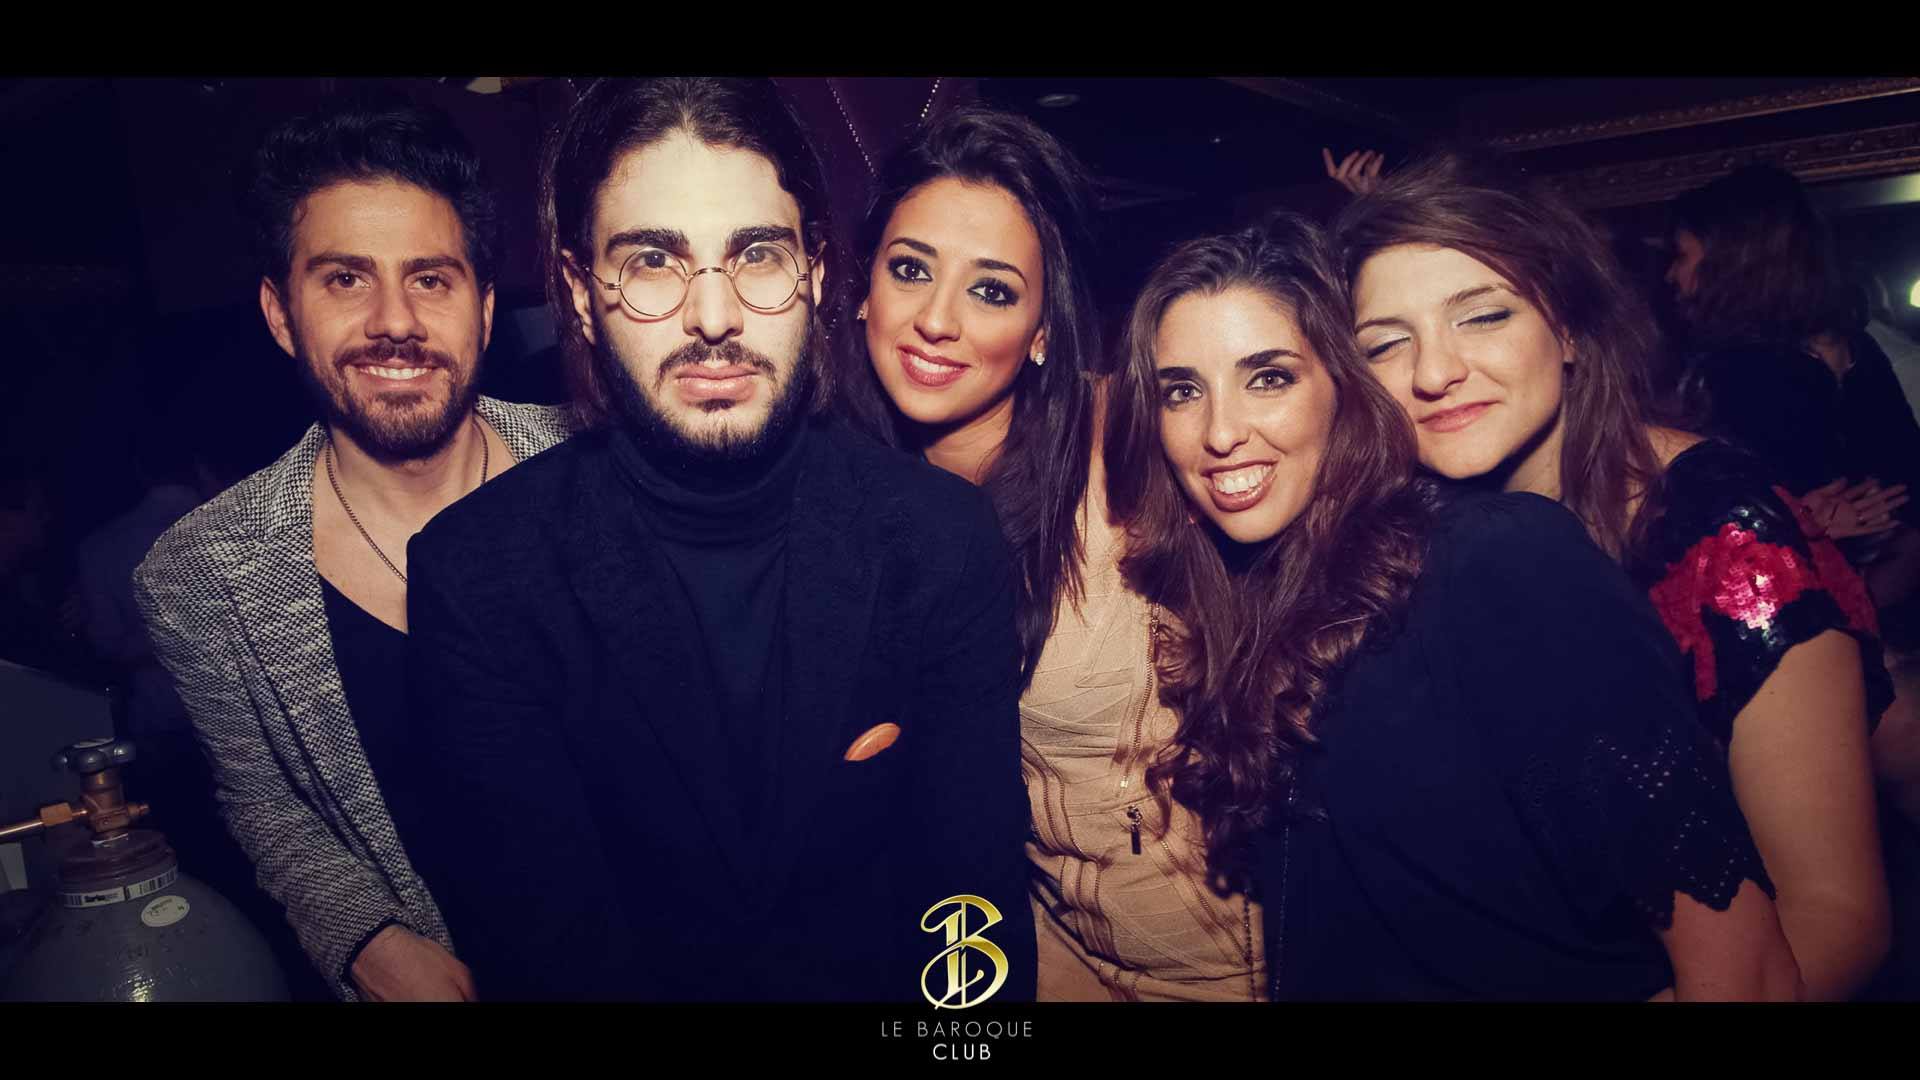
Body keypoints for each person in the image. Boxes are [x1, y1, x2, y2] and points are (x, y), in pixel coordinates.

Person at [403, 77, 1035, 1002]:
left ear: (816, 273)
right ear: (580, 290)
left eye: (758, 255)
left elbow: (972, 912)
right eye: (654, 261)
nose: (712, 319)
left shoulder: (940, 539)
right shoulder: (479, 576)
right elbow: (548, 952)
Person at [1107, 212, 1802, 1000]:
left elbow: (1747, 970)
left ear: (1345, 388)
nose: (1220, 432)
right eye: (1182, 391)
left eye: (1269, 377)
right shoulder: (1257, 602)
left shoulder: (1496, 560)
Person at [1332, 152, 1895, 999]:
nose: (1434, 373)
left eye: (1482, 317)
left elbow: (1838, 918)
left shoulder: (1725, 535)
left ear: (1568, 328)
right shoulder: (1407, 530)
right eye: (1385, 343)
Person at [132, 99, 576, 1001]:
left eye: (431, 278)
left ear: (485, 308)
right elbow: (264, 804)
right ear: (281, 313)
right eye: (344, 279)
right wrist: (364, 937)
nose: (394, 321)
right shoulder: (202, 575)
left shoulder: (602, 469)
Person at [833, 105, 1264, 1001]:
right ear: (864, 288)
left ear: (1041, 330)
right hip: (1046, 958)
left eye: (991, 290)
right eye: (910, 270)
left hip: (1242, 961)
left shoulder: (1131, 445)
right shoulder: (838, 494)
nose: (936, 320)